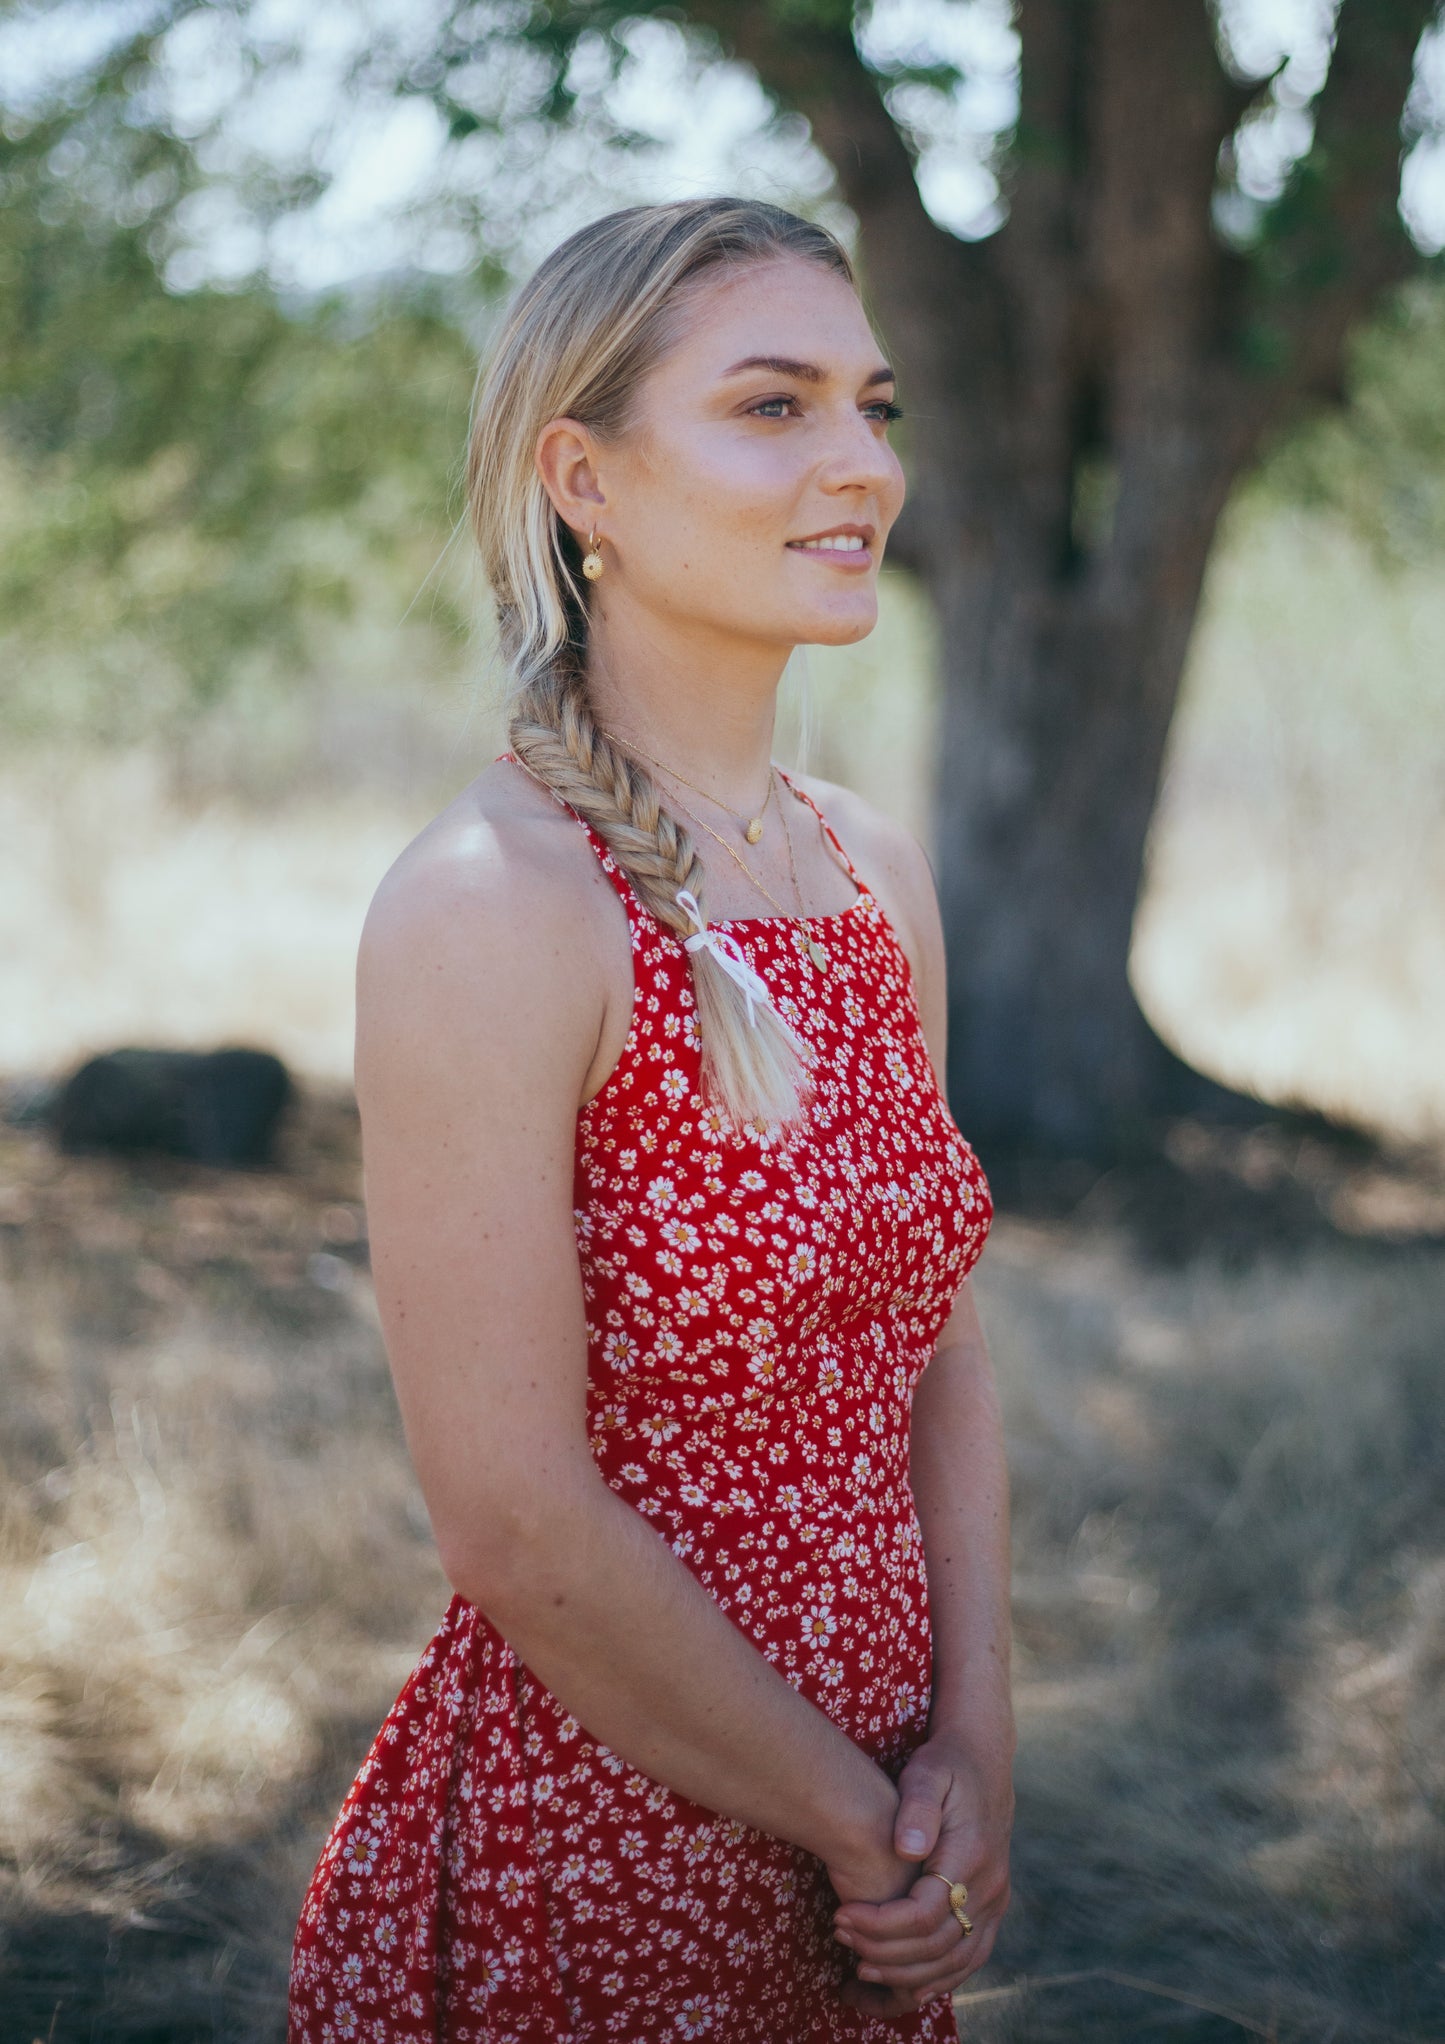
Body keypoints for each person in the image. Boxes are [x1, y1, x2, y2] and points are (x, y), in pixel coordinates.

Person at [288, 194, 1014, 2043]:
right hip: (607, 1843)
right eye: (773, 407)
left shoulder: (871, 874)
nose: (857, 463)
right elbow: (515, 1518)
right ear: (582, 481)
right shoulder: (488, 907)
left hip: (881, 1842)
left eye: (874, 407)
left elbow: (934, 1346)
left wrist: (973, 1752)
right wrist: (858, 1827)